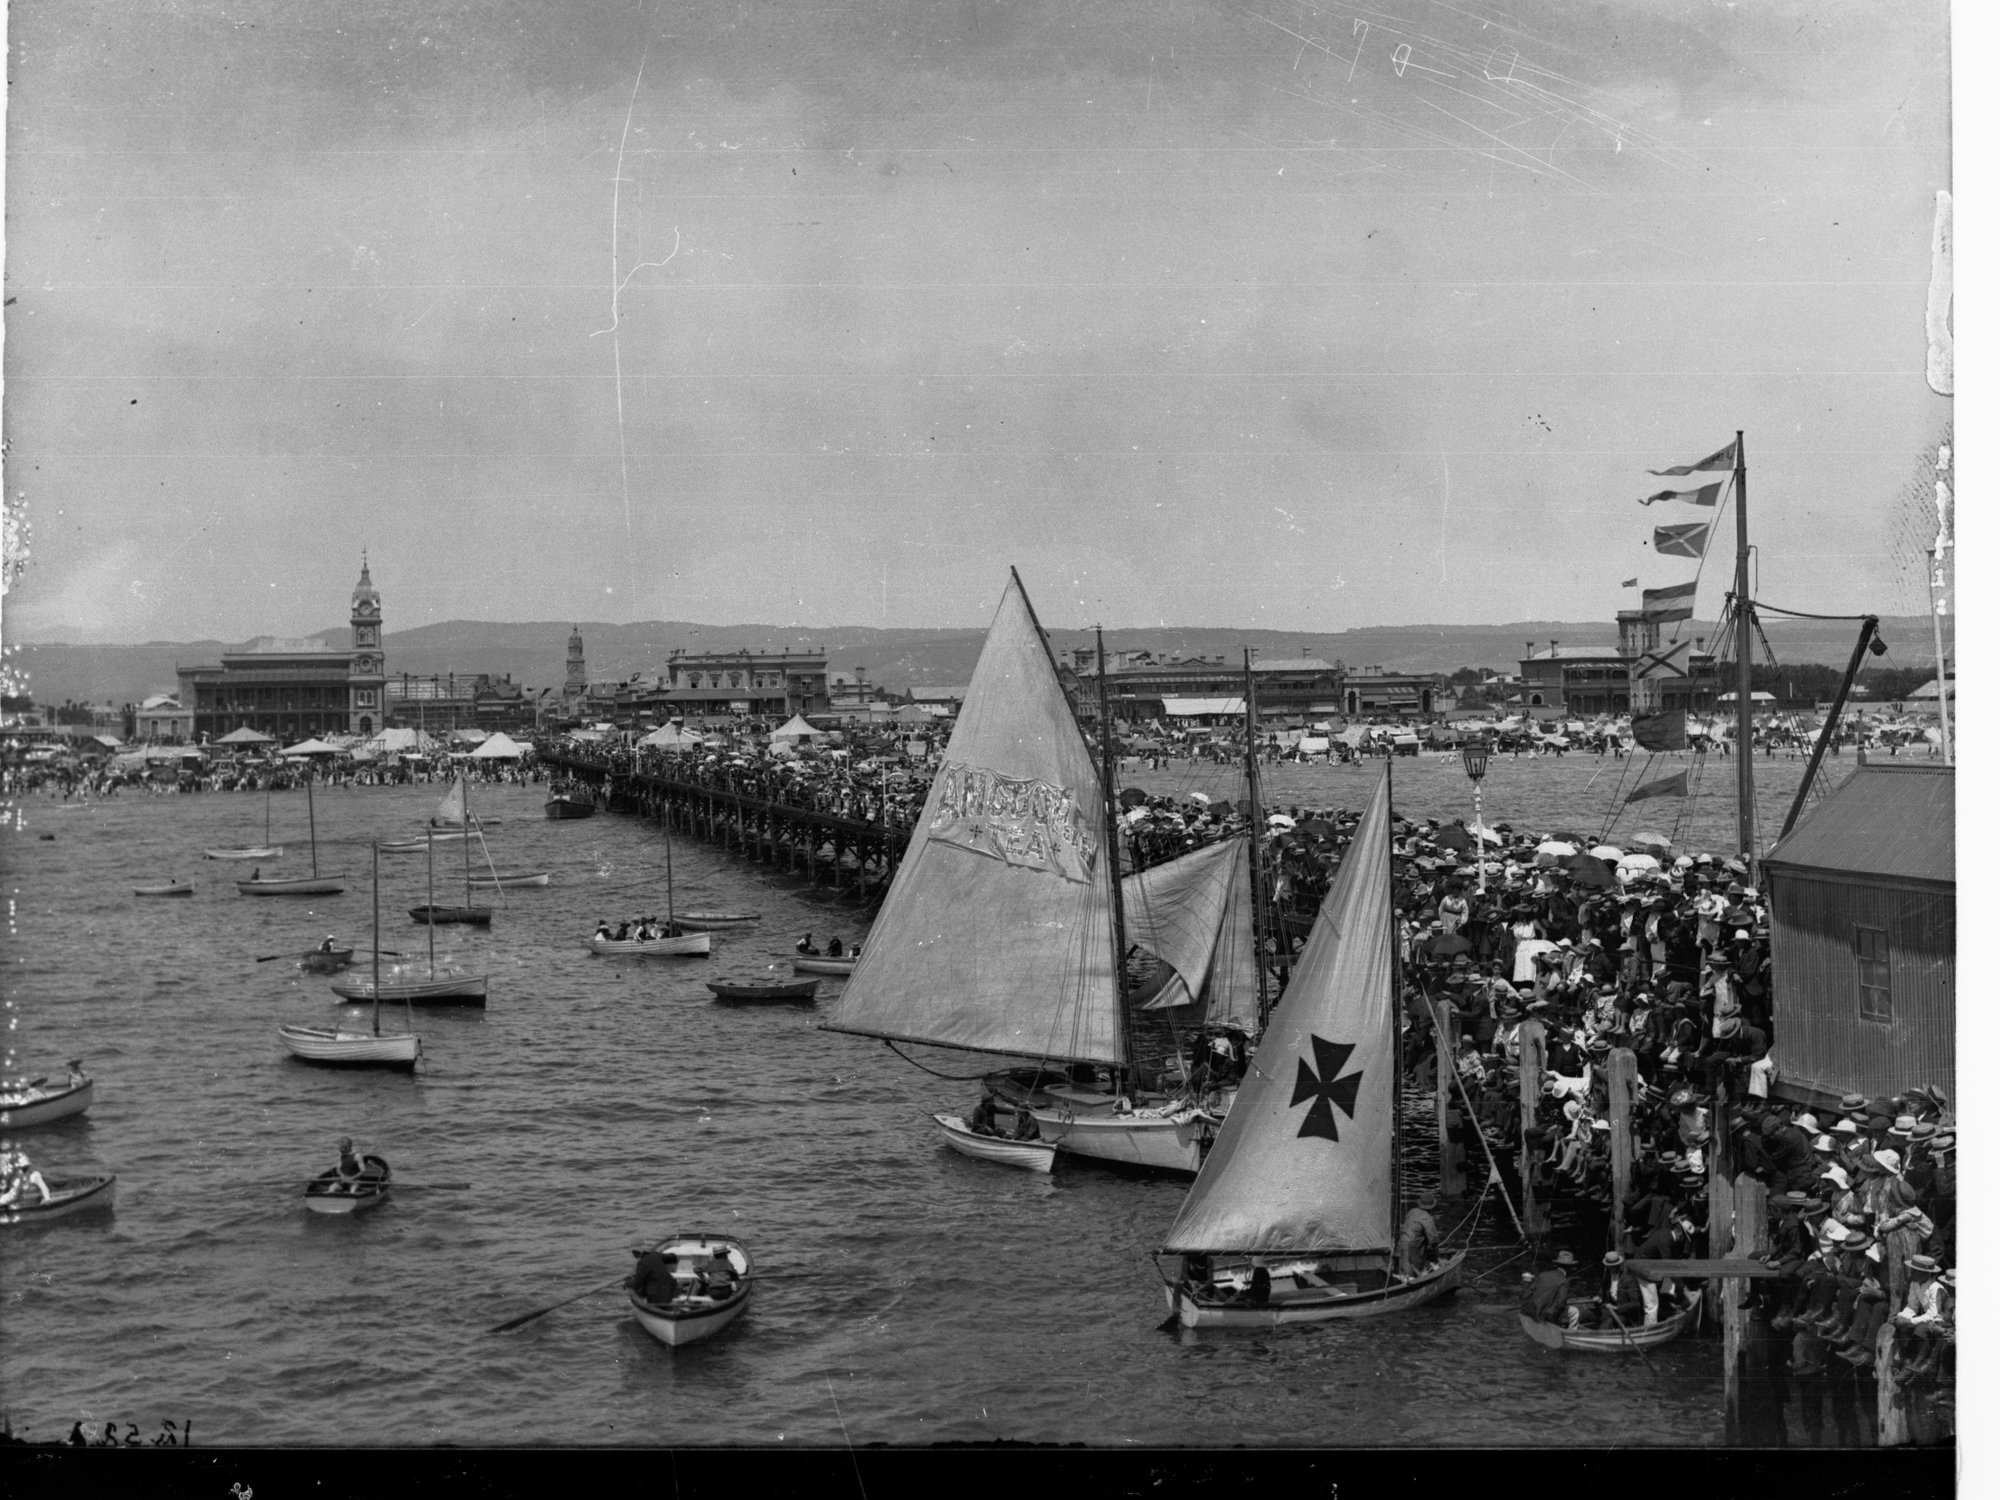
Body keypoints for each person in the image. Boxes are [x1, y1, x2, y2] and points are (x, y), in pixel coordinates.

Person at [1522, 1249, 1580, 1328]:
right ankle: (1571, 1332)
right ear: (1570, 1268)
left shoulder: (1543, 1275)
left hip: (1532, 1312)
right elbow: (1560, 1303)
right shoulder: (1564, 1281)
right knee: (1575, 1311)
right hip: (1546, 1316)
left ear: (1557, 1265)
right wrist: (1551, 1317)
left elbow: (1528, 1294)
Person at [1397, 1190, 1441, 1277]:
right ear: (1432, 1207)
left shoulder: (1412, 1211)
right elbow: (1434, 1242)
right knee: (1415, 1272)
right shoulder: (1427, 1218)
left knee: (1405, 1272)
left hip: (1401, 1246)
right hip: (1413, 1249)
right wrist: (1436, 1259)